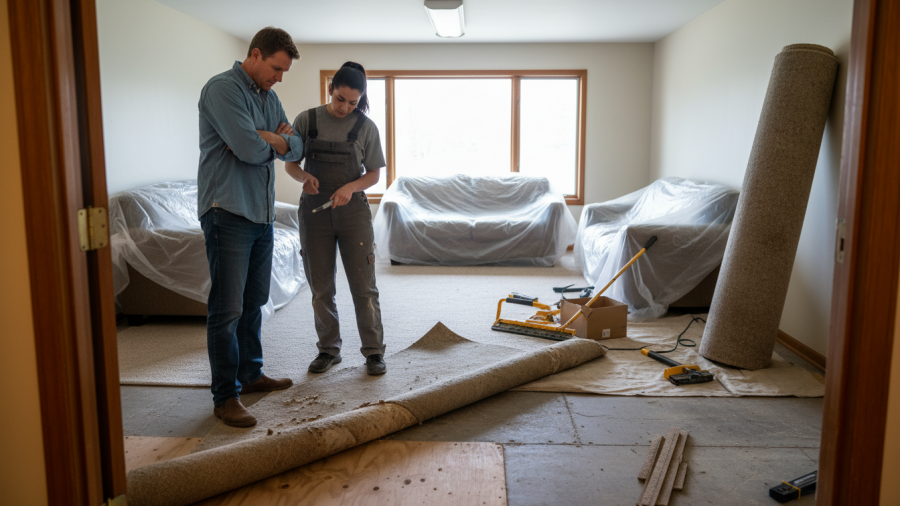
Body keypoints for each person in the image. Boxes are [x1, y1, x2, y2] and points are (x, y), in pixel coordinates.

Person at [197, 27, 304, 427]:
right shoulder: (222, 90)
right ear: (256, 55)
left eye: (284, 72)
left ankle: (251, 373)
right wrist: (271, 141)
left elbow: (297, 147)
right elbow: (247, 149)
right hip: (227, 212)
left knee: (255, 301)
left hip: (260, 215)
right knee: (227, 309)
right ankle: (225, 396)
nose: (279, 78)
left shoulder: (269, 97)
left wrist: (273, 140)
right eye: (276, 68)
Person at [285, 62, 387, 376]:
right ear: (331, 89)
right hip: (314, 213)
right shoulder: (307, 120)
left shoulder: (366, 127)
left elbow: (373, 174)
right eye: (340, 99)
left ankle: (373, 352)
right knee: (320, 288)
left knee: (364, 287)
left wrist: (350, 187)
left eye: (353, 103)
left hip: (353, 213)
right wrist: (304, 177)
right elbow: (290, 164)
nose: (345, 107)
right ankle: (328, 350)